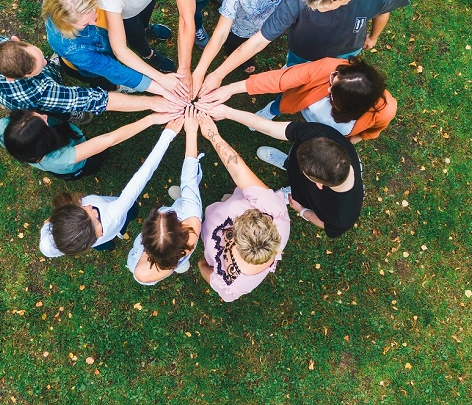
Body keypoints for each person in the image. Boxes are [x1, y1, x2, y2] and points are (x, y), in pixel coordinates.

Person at [196, 0, 410, 98]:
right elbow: (258, 41)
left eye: (323, 6)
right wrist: (218, 74)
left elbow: (383, 11)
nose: (313, 8)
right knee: (294, 72)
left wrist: (373, 37)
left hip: (345, 51)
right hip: (301, 51)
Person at [199, 104, 363, 239]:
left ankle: (294, 189)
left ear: (318, 184)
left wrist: (302, 210)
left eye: (304, 170)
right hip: (310, 178)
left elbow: (327, 226)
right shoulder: (325, 136)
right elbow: (269, 128)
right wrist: (227, 111)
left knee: (298, 190)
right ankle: (288, 163)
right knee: (294, 166)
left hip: (307, 197)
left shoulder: (343, 217)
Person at [0, 31, 174, 119]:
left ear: (14, 41)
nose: (45, 60)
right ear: (16, 78)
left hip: (0, 83)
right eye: (38, 67)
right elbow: (98, 99)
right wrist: (152, 102)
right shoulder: (39, 92)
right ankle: (73, 115)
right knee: (59, 110)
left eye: (40, 56)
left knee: (53, 68)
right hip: (21, 101)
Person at [39, 117, 184, 257]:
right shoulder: (114, 214)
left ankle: (109, 242)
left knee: (103, 244)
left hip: (90, 233)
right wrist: (168, 134)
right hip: (119, 219)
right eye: (96, 220)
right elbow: (144, 174)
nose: (89, 207)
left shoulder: (56, 241)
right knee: (131, 212)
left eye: (83, 209)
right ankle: (118, 233)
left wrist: (49, 223)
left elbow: (47, 244)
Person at [195, 112, 290, 301]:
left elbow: (206, 271)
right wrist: (214, 136)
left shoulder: (232, 284)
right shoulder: (276, 214)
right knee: (228, 201)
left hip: (207, 231)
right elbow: (239, 172)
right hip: (220, 211)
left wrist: (201, 264)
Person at [43, 0, 183, 104]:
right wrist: (162, 88)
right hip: (91, 68)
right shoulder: (74, 49)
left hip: (103, 39)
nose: (94, 23)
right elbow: (115, 70)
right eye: (85, 24)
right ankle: (119, 87)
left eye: (94, 14)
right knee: (107, 81)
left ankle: (144, 30)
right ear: (65, 21)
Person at [200, 56, 396, 142]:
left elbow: (371, 131)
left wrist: (353, 140)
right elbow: (281, 79)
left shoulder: (385, 111)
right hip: (299, 103)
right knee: (281, 104)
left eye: (334, 93)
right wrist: (231, 89)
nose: (328, 87)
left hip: (325, 131)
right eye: (333, 79)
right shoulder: (330, 67)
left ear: (348, 106)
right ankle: (270, 111)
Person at [126, 108, 202, 284]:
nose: (161, 212)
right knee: (187, 195)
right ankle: (180, 263)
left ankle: (179, 264)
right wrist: (191, 132)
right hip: (174, 252)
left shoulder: (143, 273)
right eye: (168, 216)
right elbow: (189, 178)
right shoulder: (192, 217)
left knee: (176, 261)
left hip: (169, 256)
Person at [0, 110, 171, 180]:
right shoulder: (60, 159)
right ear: (46, 141)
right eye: (43, 121)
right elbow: (110, 139)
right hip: (81, 165)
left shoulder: (1, 129)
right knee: (98, 158)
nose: (45, 116)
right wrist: (152, 119)